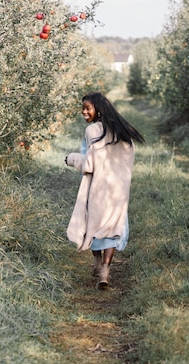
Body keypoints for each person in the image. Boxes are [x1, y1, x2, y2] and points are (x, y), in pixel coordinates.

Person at [65, 92, 145, 290]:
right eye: (83, 108)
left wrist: (71, 158)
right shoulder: (124, 131)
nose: (84, 112)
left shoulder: (93, 131)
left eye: (87, 108)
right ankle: (105, 270)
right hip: (118, 190)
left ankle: (98, 264)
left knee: (93, 224)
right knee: (112, 228)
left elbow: (89, 164)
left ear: (98, 110)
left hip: (98, 188)